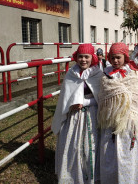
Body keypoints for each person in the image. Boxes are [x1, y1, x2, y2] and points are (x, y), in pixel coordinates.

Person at [51, 43, 103, 184]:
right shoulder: (71, 74)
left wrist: (85, 103)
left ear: (92, 58)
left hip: (91, 115)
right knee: (73, 146)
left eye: (86, 57)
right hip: (73, 117)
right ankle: (73, 175)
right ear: (76, 57)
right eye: (80, 57)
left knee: (90, 145)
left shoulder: (97, 74)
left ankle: (90, 176)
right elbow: (65, 97)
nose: (83, 60)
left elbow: (101, 98)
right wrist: (70, 106)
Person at [97, 42, 138, 184]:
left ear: (125, 57)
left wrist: (120, 95)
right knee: (109, 154)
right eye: (112, 58)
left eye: (118, 57)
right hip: (110, 121)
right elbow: (102, 96)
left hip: (128, 121)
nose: (115, 61)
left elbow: (135, 96)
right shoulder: (105, 74)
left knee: (127, 154)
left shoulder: (133, 74)